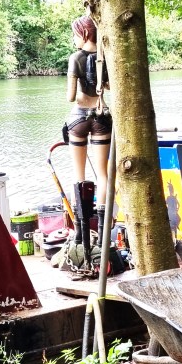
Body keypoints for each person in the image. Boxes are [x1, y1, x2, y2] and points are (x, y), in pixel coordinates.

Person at [64, 15, 111, 248]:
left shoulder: (76, 58)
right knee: (103, 175)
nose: (74, 39)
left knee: (78, 175)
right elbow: (109, 87)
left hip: (79, 118)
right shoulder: (105, 57)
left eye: (75, 34)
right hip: (101, 117)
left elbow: (71, 96)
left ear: (83, 34)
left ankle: (80, 234)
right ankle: (102, 236)